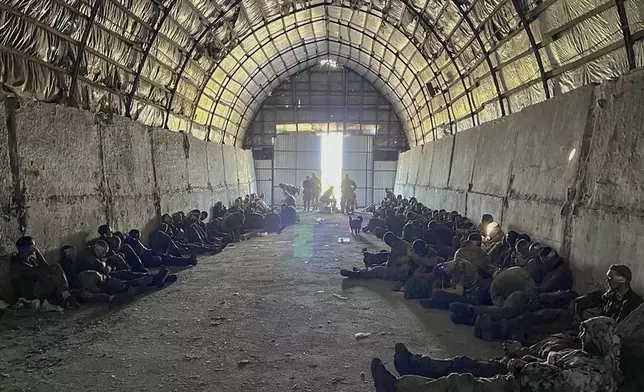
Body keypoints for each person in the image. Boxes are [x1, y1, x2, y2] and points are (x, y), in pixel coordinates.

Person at [371, 316, 622, 392]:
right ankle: (411, 369)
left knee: (460, 383)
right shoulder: (586, 356)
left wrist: (519, 364)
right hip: (523, 377)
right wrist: (524, 359)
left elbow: (556, 381)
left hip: (522, 385)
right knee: (463, 368)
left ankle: (397, 387)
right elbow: (550, 366)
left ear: (599, 337)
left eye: (586, 331)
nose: (581, 335)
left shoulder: (598, 374)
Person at [476, 264, 642, 342]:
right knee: (532, 316)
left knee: (539, 332)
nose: (607, 281)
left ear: (623, 280)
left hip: (586, 330)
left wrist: (583, 324)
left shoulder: (632, 304)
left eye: (611, 278)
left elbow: (614, 328)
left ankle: (496, 332)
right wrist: (581, 305)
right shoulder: (610, 294)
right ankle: (493, 326)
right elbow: (587, 300)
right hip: (576, 319)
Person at [10, 236, 79, 309]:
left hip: (38, 286)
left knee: (64, 284)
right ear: (26, 248)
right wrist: (38, 253)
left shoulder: (31, 260)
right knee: (55, 267)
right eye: (33, 246)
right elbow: (45, 270)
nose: (35, 247)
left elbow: (45, 268)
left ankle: (67, 297)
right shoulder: (17, 263)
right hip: (31, 292)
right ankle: (67, 298)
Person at [340, 232, 411, 283]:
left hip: (402, 272)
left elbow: (389, 264)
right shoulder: (401, 243)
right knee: (382, 262)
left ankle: (357, 274)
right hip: (403, 267)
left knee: (377, 270)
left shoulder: (397, 249)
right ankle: (364, 271)